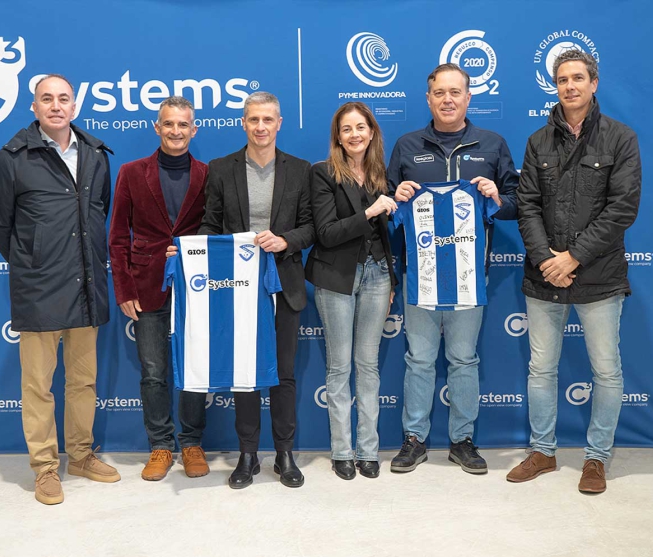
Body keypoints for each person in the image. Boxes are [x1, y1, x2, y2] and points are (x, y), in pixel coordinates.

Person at [506, 49, 641, 494]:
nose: (570, 86)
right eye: (562, 79)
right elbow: (526, 204)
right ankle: (543, 451)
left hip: (599, 277)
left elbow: (622, 209)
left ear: (594, 83)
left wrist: (574, 257)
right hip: (544, 277)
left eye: (578, 78)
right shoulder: (537, 141)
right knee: (541, 368)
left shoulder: (621, 139)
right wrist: (548, 259)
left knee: (606, 370)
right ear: (556, 85)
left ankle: (597, 459)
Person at [0, 74, 119, 505]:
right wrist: (34, 260)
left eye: (64, 99)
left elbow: (101, 211)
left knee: (83, 381)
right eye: (47, 99)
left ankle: (80, 456)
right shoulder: (11, 158)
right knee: (37, 385)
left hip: (87, 285)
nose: (56, 106)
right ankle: (45, 468)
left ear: (75, 106)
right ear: (34, 107)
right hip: (39, 287)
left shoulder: (97, 155)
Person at [388, 63, 519, 475]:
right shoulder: (407, 146)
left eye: (455, 92)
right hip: (420, 275)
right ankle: (414, 439)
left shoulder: (492, 144)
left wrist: (497, 196)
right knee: (420, 359)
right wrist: (397, 194)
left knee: (464, 360)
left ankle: (463, 440)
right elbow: (385, 208)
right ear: (428, 99)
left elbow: (517, 204)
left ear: (468, 97)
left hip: (468, 278)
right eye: (439, 93)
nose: (447, 99)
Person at [195, 91, 315, 489]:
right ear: (242, 124)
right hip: (236, 287)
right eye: (253, 120)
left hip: (285, 283)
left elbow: (311, 226)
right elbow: (210, 225)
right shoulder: (221, 169)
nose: (260, 127)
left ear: (279, 123)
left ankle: (284, 453)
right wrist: (199, 255)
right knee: (244, 373)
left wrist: (285, 241)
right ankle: (248, 454)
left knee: (283, 373)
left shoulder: (301, 170)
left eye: (268, 120)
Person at [108, 96, 210, 482]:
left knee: (194, 368)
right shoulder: (132, 173)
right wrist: (123, 288)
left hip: (196, 287)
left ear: (193, 129)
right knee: (153, 371)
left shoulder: (207, 174)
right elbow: (117, 236)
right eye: (168, 124)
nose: (176, 131)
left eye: (183, 125)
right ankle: (161, 446)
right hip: (146, 285)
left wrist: (188, 249)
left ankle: (191, 443)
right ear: (157, 127)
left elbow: (215, 228)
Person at [305, 102, 397, 480]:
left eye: (361, 127)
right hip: (336, 279)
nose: (355, 134)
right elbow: (326, 233)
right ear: (338, 137)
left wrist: (392, 277)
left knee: (369, 366)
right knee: (340, 366)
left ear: (372, 132)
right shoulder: (323, 173)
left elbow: (389, 237)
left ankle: (368, 450)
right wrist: (372, 211)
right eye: (347, 129)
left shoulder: (381, 174)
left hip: (378, 276)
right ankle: (342, 450)